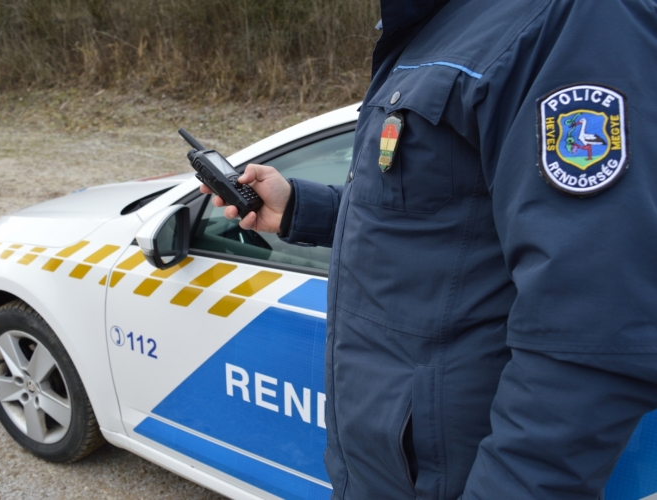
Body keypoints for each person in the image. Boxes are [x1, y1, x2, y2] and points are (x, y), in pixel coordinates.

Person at [201, 0, 657, 498]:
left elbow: (591, 330)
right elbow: (440, 217)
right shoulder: (439, 23)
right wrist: (297, 209)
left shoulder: (573, 17)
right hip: (383, 472)